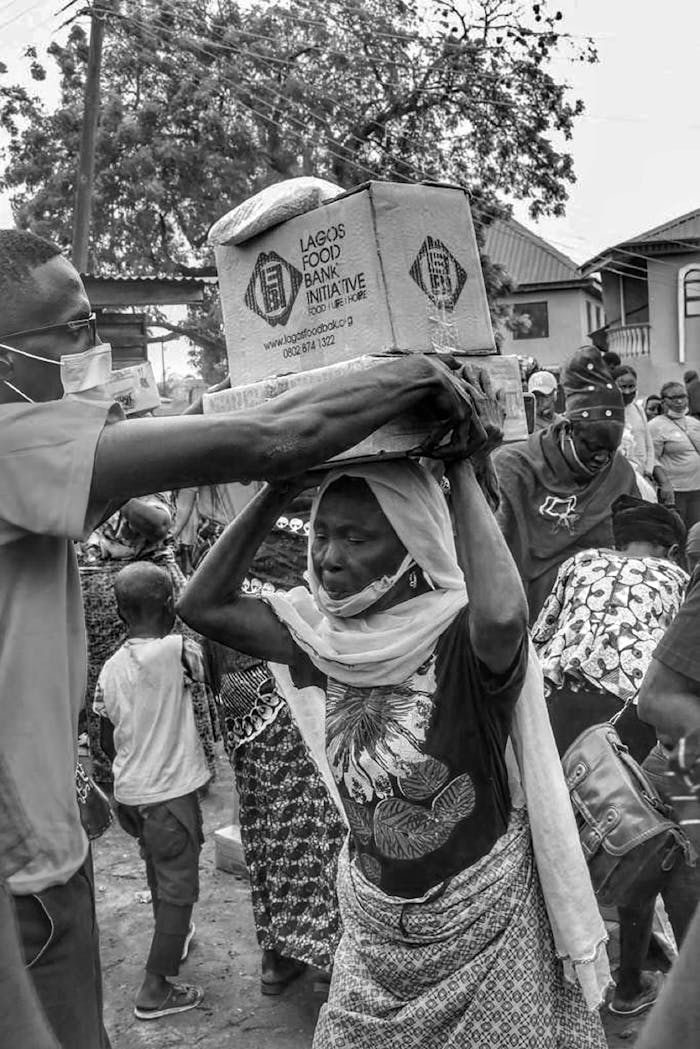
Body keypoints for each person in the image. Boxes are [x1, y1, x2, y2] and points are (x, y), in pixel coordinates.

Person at [0, 229, 472, 1048]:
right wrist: (424, 369)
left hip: (42, 843)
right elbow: (269, 437)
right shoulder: (11, 446)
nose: (94, 348)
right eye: (71, 331)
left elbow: (207, 435)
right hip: (25, 868)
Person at [178, 375, 609, 1048]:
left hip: (482, 924)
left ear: (412, 542)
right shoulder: (323, 640)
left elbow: (504, 613)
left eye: (355, 537)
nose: (328, 555)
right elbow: (200, 606)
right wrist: (279, 486)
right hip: (375, 928)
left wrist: (460, 465)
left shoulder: (461, 638)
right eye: (323, 532)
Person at [207, 511, 346, 996]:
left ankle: (280, 955)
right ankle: (330, 953)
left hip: (241, 677)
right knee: (323, 817)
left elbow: (203, 604)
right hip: (292, 674)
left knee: (268, 819)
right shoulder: (337, 498)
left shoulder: (249, 510)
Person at [93, 562, 209, 1019]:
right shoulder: (177, 650)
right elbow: (207, 669)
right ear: (169, 607)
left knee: (160, 871)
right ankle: (155, 988)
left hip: (132, 794)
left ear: (120, 613)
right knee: (180, 888)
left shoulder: (109, 667)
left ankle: (174, 937)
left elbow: (105, 737)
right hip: (170, 795)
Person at [80, 493, 219, 789]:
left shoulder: (132, 469)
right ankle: (118, 775)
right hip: (102, 588)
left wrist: (113, 488)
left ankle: (191, 770)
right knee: (110, 684)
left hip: (150, 580)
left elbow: (159, 525)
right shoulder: (75, 469)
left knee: (181, 676)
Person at [532, 494, 687, 761]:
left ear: (617, 544)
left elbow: (542, 632)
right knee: (619, 792)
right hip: (632, 701)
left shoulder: (581, 561)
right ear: (673, 552)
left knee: (557, 784)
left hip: (560, 689)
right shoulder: (677, 578)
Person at [494, 346, 638, 623]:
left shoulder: (619, 469)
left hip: (603, 614)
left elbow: (637, 542)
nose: (601, 458)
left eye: (611, 449)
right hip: (529, 613)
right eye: (593, 447)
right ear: (568, 429)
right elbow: (495, 554)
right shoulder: (515, 466)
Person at [612, 364, 674, 506]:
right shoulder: (608, 412)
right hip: (619, 478)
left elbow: (648, 444)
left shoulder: (638, 410)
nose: (627, 391)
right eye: (622, 387)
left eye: (631, 386)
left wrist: (648, 470)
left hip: (643, 476)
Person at [649, 381, 700, 529]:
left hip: (697, 489)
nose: (679, 401)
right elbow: (652, 458)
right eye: (674, 397)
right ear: (663, 402)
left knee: (695, 532)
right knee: (676, 532)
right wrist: (664, 484)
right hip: (675, 492)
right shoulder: (655, 426)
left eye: (683, 396)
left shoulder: (693, 423)